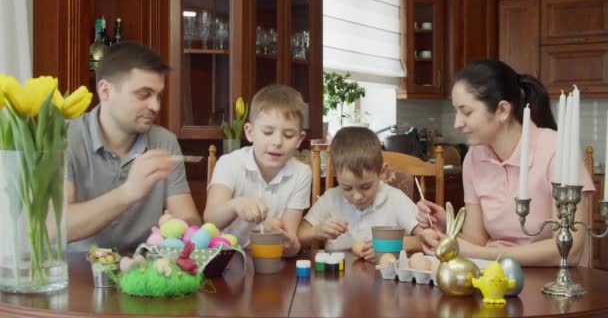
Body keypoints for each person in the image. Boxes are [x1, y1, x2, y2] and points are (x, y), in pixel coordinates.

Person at [416, 59, 595, 266]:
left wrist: (481, 254)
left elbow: (569, 250)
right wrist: (447, 229)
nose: (457, 123)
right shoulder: (474, 157)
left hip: (551, 282)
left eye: (467, 112)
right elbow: (476, 240)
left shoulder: (557, 149)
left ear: (502, 110)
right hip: (493, 277)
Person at [66, 42, 201, 252]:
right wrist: (129, 192)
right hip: (75, 273)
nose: (155, 106)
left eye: (159, 96)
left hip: (144, 271)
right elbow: (54, 226)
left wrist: (180, 228)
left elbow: (190, 220)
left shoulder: (165, 141)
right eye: (143, 94)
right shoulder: (63, 139)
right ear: (106, 91)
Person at [203, 84, 311, 257]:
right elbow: (210, 219)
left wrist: (290, 243)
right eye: (268, 132)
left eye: (288, 135)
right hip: (226, 260)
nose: (277, 142)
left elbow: (289, 241)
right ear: (250, 132)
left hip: (271, 258)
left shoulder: (302, 173)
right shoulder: (229, 163)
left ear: (300, 139)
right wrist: (235, 205)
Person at [298, 126, 423, 261]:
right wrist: (316, 231)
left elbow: (425, 240)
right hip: (339, 277)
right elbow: (298, 236)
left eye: (366, 186)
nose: (357, 197)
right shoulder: (330, 199)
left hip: (383, 278)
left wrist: (391, 245)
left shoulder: (395, 199)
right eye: (346, 188)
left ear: (382, 171)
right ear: (336, 175)